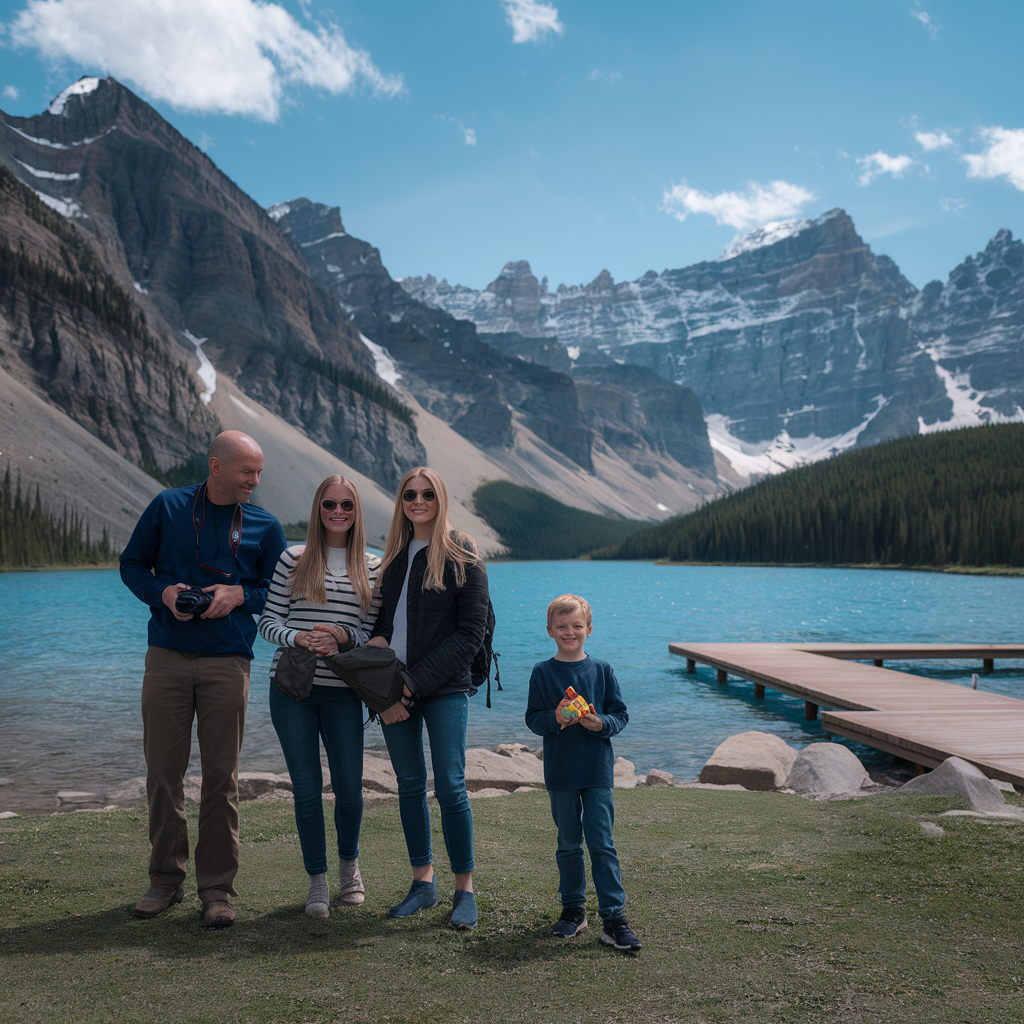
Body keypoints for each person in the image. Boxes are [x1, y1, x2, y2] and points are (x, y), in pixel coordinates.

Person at [120, 431, 286, 928]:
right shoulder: (167, 507)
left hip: (228, 662)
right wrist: (163, 593)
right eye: (247, 473)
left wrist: (240, 596)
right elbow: (131, 566)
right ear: (216, 466)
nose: (255, 482)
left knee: (221, 779)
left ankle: (217, 891)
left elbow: (277, 590)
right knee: (163, 773)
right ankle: (165, 881)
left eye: (259, 473)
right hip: (167, 657)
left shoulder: (264, 525)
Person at [365, 467, 489, 930]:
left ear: (442, 498)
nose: (419, 501)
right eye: (410, 494)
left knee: (452, 787)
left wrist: (412, 684)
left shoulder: (462, 552)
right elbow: (382, 625)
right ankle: (423, 882)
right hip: (393, 685)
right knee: (410, 784)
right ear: (402, 501)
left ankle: (464, 890)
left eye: (428, 494)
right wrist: (377, 651)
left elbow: (470, 635)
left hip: (444, 688)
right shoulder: (395, 556)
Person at [258, 475, 381, 917]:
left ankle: (350, 870)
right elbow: (267, 621)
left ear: (356, 511)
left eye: (346, 505)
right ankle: (317, 883)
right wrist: (300, 637)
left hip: (344, 693)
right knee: (307, 791)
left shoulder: (372, 566)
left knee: (350, 788)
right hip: (291, 690)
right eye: (329, 504)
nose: (337, 513)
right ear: (318, 508)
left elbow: (371, 632)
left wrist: (345, 635)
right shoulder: (293, 559)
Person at [525, 593, 642, 953]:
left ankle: (614, 918)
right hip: (560, 772)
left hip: (597, 772)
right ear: (550, 631)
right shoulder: (543, 672)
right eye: (562, 626)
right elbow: (533, 719)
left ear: (589, 629)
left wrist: (600, 723)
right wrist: (556, 719)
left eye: (577, 626)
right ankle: (574, 910)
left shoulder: (602, 670)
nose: (569, 631)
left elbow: (620, 714)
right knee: (568, 844)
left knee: (602, 844)